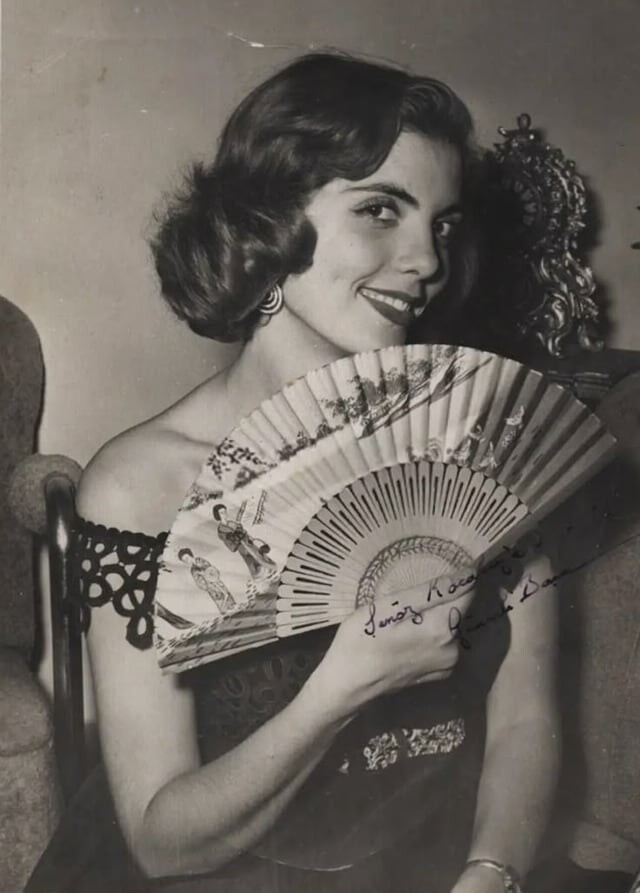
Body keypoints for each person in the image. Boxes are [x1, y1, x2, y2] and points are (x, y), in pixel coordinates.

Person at [76, 52, 559, 893]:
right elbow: (162, 842)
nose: (427, 261)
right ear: (267, 224)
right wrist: (343, 686)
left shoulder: (479, 442)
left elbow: (526, 716)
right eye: (380, 209)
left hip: (448, 859)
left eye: (443, 225)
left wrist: (494, 871)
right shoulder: (142, 487)